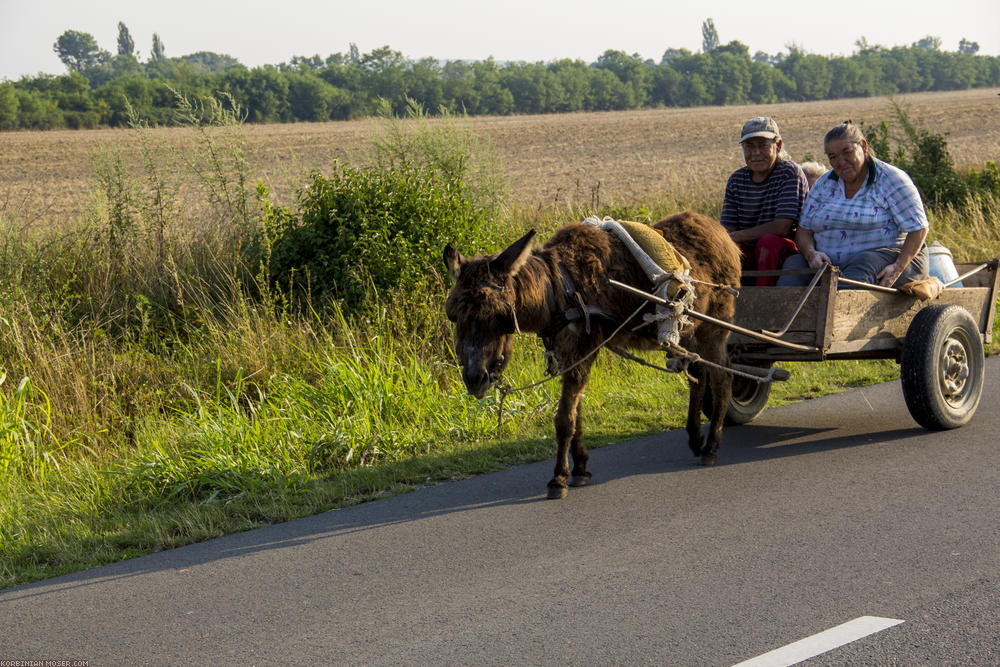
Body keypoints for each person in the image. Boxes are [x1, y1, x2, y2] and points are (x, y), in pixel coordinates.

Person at [777, 121, 929, 288]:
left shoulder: (891, 179)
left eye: (847, 152)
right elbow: (804, 230)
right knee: (794, 265)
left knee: (862, 264)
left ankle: (839, 313)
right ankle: (783, 314)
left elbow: (919, 228)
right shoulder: (824, 184)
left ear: (863, 146)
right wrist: (812, 254)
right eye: (833, 157)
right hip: (832, 264)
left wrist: (897, 267)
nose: (841, 162)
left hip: (891, 257)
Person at [721, 117, 809, 286]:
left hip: (783, 251)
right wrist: (729, 240)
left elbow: (782, 227)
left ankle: (763, 298)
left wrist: (736, 236)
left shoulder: (789, 173)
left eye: (762, 145)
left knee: (767, 243)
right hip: (749, 250)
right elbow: (728, 228)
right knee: (726, 247)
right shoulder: (736, 180)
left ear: (778, 145)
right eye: (749, 147)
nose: (755, 153)